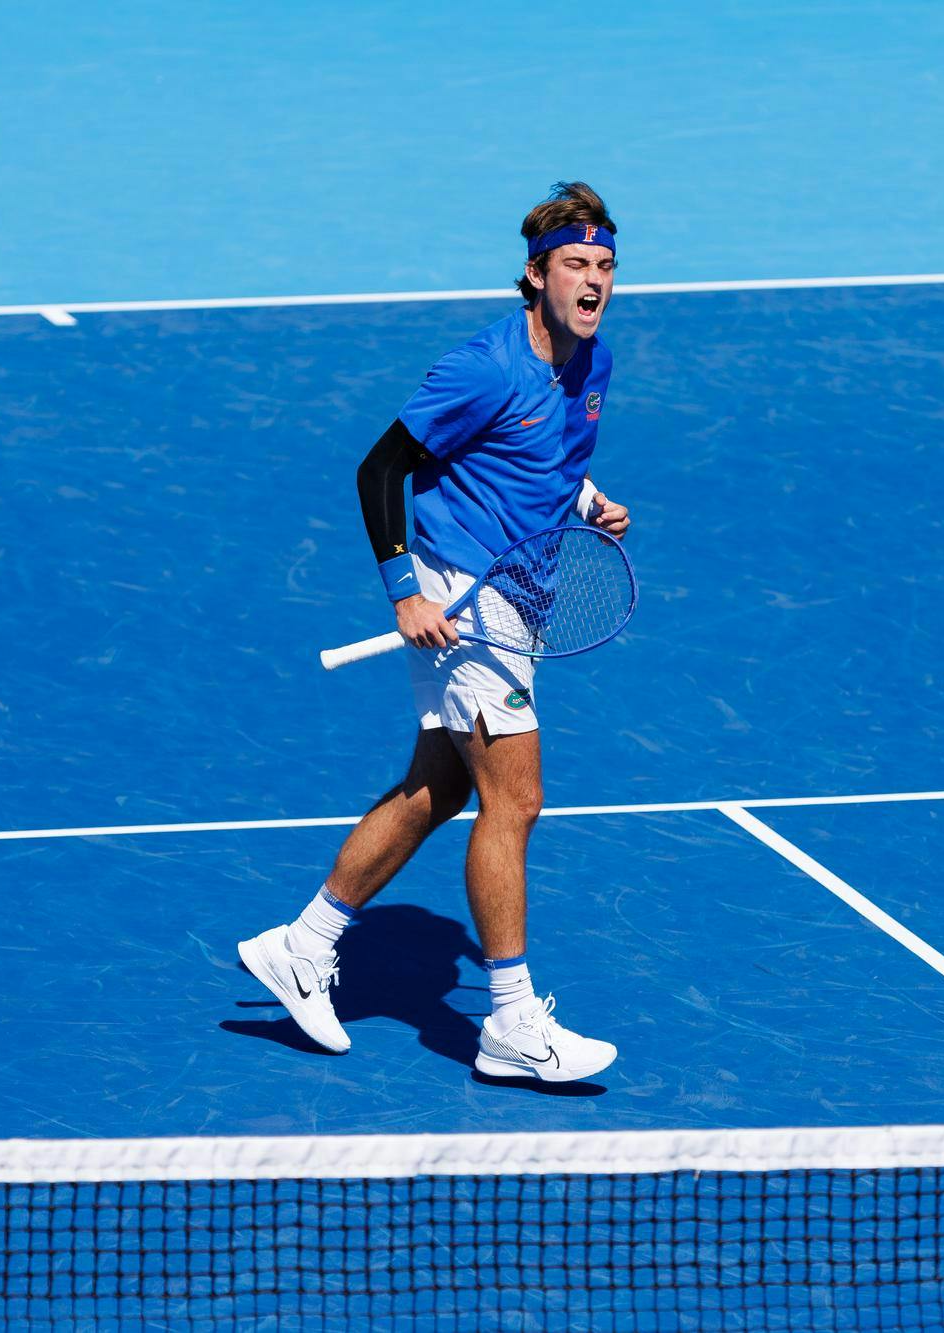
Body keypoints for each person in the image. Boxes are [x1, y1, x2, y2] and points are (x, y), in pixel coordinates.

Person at [238, 182, 632, 1083]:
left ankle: (304, 945)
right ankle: (510, 1022)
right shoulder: (483, 367)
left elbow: (549, 461)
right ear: (534, 277)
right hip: (465, 596)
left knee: (440, 788)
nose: (595, 282)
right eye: (577, 265)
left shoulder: (592, 363)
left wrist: (587, 501)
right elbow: (380, 469)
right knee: (516, 801)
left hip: (521, 591)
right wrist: (405, 592)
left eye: (606, 267)